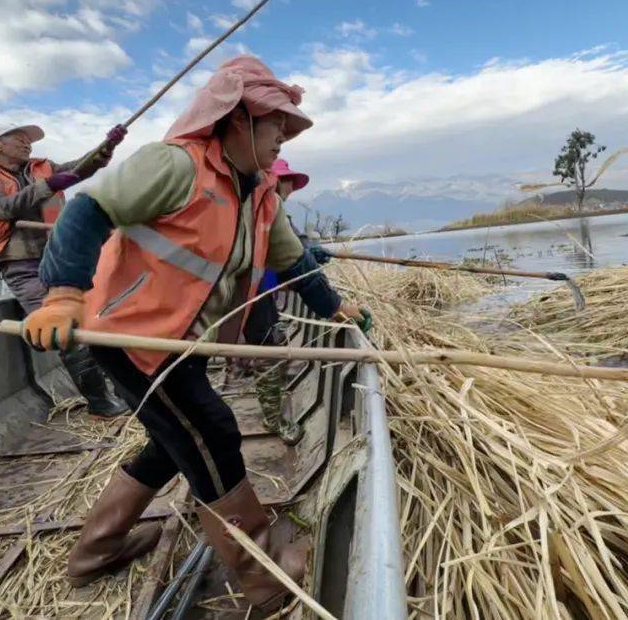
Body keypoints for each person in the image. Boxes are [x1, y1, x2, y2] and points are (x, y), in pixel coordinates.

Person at [21, 56, 368, 609]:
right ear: (236, 118)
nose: (284, 139)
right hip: (131, 338)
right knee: (212, 431)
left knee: (172, 441)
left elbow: (295, 261)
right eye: (276, 125)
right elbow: (85, 211)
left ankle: (97, 548)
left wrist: (337, 307)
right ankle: (261, 575)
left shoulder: (257, 197)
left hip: (182, 342)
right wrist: (63, 294)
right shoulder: (174, 165)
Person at [0, 124, 128, 416]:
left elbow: (80, 167)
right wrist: (48, 186)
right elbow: (0, 208)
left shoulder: (44, 166)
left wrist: (106, 148)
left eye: (29, 142)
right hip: (18, 260)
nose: (27, 145)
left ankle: (127, 391)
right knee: (62, 326)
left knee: (97, 318)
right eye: (20, 140)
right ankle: (100, 402)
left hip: (59, 254)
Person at [242, 158, 316, 445]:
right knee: (267, 352)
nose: (290, 188)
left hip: (265, 290)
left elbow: (298, 244)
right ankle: (274, 418)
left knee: (272, 343)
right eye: (287, 181)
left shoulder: (274, 207)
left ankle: (272, 398)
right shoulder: (262, 205)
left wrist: (310, 253)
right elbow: (293, 252)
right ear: (275, 180)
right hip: (251, 293)